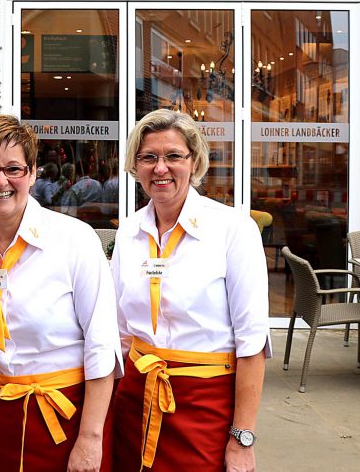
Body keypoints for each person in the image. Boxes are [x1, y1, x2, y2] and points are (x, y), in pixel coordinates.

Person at [0, 114, 120, 472]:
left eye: (13, 169)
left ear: (31, 173)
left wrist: (91, 439)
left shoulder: (75, 241)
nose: (1, 181)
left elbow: (102, 344)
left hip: (63, 417)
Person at [110, 109, 269, 472]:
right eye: (148, 157)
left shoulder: (232, 229)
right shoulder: (129, 231)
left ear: (194, 162)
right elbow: (119, 333)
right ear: (136, 166)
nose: (160, 168)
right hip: (135, 400)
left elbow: (252, 343)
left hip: (204, 405)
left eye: (173, 156)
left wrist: (242, 437)